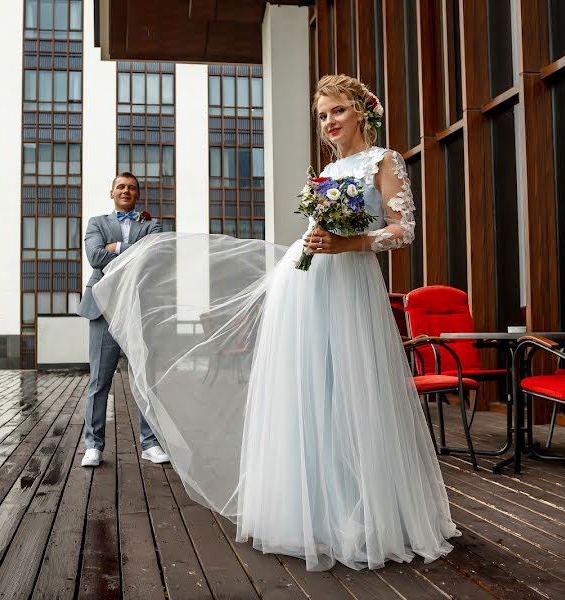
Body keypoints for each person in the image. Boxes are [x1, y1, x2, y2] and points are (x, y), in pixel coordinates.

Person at [92, 75, 458, 571]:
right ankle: (311, 512)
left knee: (349, 390)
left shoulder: (384, 161)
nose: (329, 123)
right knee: (306, 393)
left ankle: (365, 511)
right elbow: (315, 231)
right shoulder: (329, 169)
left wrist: (346, 244)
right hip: (304, 287)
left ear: (363, 112)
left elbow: (403, 231)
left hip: (349, 286)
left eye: (337, 112)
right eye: (323, 115)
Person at [77, 172, 171, 467]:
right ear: (112, 192)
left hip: (138, 308)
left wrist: (114, 248)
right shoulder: (96, 223)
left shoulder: (152, 224)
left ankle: (150, 443)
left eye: (131, 187)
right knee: (99, 381)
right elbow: (93, 256)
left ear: (137, 194)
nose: (126, 191)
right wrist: (134, 251)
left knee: (145, 379)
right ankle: (93, 446)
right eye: (121, 186)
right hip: (103, 308)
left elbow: (154, 255)